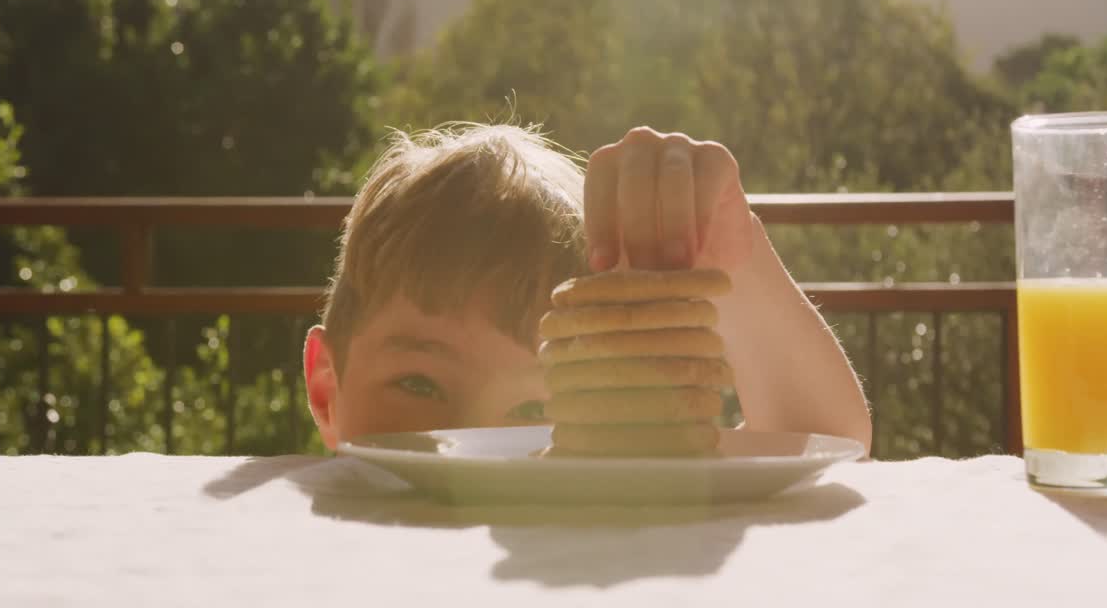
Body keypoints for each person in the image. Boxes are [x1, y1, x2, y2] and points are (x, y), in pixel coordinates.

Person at [302, 124, 872, 452]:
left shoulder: (596, 517)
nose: (463, 438)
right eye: (417, 383)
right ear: (327, 389)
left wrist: (734, 259)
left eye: (531, 405)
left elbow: (822, 443)